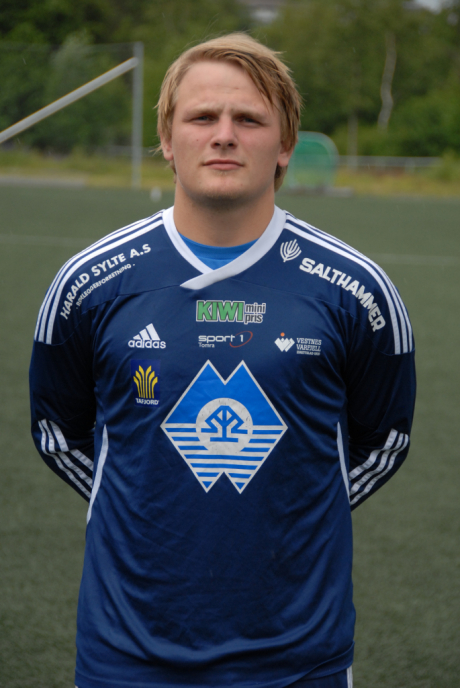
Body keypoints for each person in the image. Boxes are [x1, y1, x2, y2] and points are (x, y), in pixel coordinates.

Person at [29, 33, 416, 688]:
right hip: (126, 654)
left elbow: (384, 441)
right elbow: (57, 432)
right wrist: (149, 501)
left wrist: (290, 504)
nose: (225, 136)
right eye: (203, 116)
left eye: (250, 119)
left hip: (298, 659)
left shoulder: (356, 291)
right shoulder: (89, 283)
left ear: (285, 144)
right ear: (166, 138)